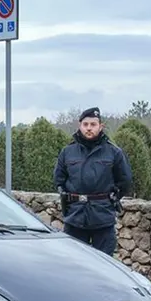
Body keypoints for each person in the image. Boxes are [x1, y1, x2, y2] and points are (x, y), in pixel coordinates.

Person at [53, 107, 133, 256]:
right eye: (85, 124)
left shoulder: (114, 152)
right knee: (73, 263)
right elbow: (59, 180)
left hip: (102, 218)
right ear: (80, 125)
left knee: (104, 266)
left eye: (93, 124)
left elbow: (125, 181)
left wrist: (110, 200)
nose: (89, 128)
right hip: (75, 218)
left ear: (100, 126)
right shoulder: (67, 152)